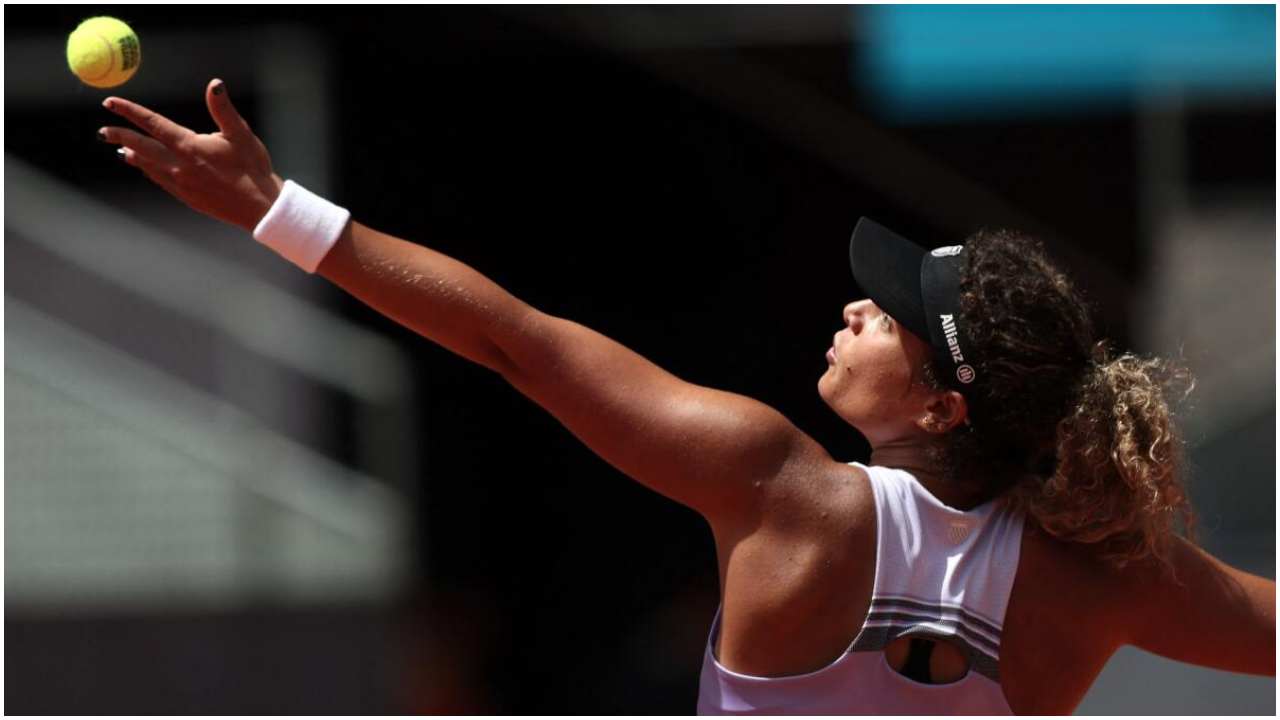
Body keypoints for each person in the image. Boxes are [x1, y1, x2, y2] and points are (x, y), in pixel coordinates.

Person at [97, 79, 1275, 714]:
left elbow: (514, 341)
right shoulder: (1104, 573)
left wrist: (276, 208)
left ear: (941, 408)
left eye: (892, 318)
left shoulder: (784, 493)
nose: (858, 309)